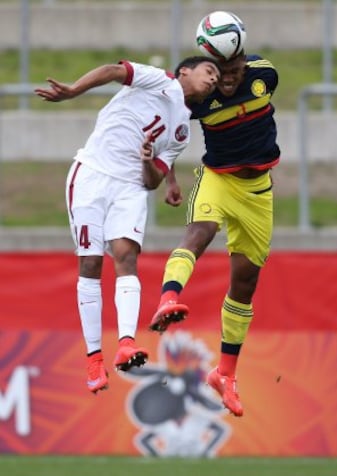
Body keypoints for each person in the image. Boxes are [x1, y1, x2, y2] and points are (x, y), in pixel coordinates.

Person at [34, 56, 220, 394]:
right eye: (209, 71)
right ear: (184, 71)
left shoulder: (181, 131)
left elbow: (152, 181)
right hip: (92, 173)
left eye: (217, 76)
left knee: (126, 256)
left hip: (131, 187)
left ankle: (126, 344)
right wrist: (74, 90)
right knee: (90, 263)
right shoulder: (158, 79)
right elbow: (111, 71)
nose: (213, 79)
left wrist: (149, 161)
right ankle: (93, 359)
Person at [149, 41, 280, 416]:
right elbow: (166, 133)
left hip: (258, 191)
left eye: (232, 71)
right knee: (199, 232)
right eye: (216, 73)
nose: (224, 81)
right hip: (218, 180)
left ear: (243, 64)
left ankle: (225, 374)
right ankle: (168, 298)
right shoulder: (200, 100)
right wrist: (170, 179)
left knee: (245, 282)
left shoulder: (264, 75)